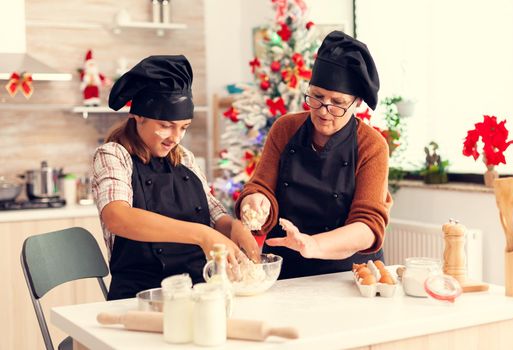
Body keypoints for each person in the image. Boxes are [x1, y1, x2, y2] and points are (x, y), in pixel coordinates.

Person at [92, 55, 259, 300]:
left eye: (184, 127)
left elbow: (214, 213)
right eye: (166, 125)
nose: (175, 137)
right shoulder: (113, 155)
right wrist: (202, 235)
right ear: (138, 117)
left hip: (197, 291)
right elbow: (118, 217)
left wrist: (234, 227)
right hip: (141, 298)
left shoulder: (184, 158)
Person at [236, 31, 393, 279]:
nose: (323, 110)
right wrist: (255, 201)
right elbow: (261, 186)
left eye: (337, 102)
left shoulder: (371, 145)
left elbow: (368, 227)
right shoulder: (285, 128)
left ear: (357, 103)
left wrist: (313, 245)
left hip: (350, 273)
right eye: (317, 97)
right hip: (287, 267)